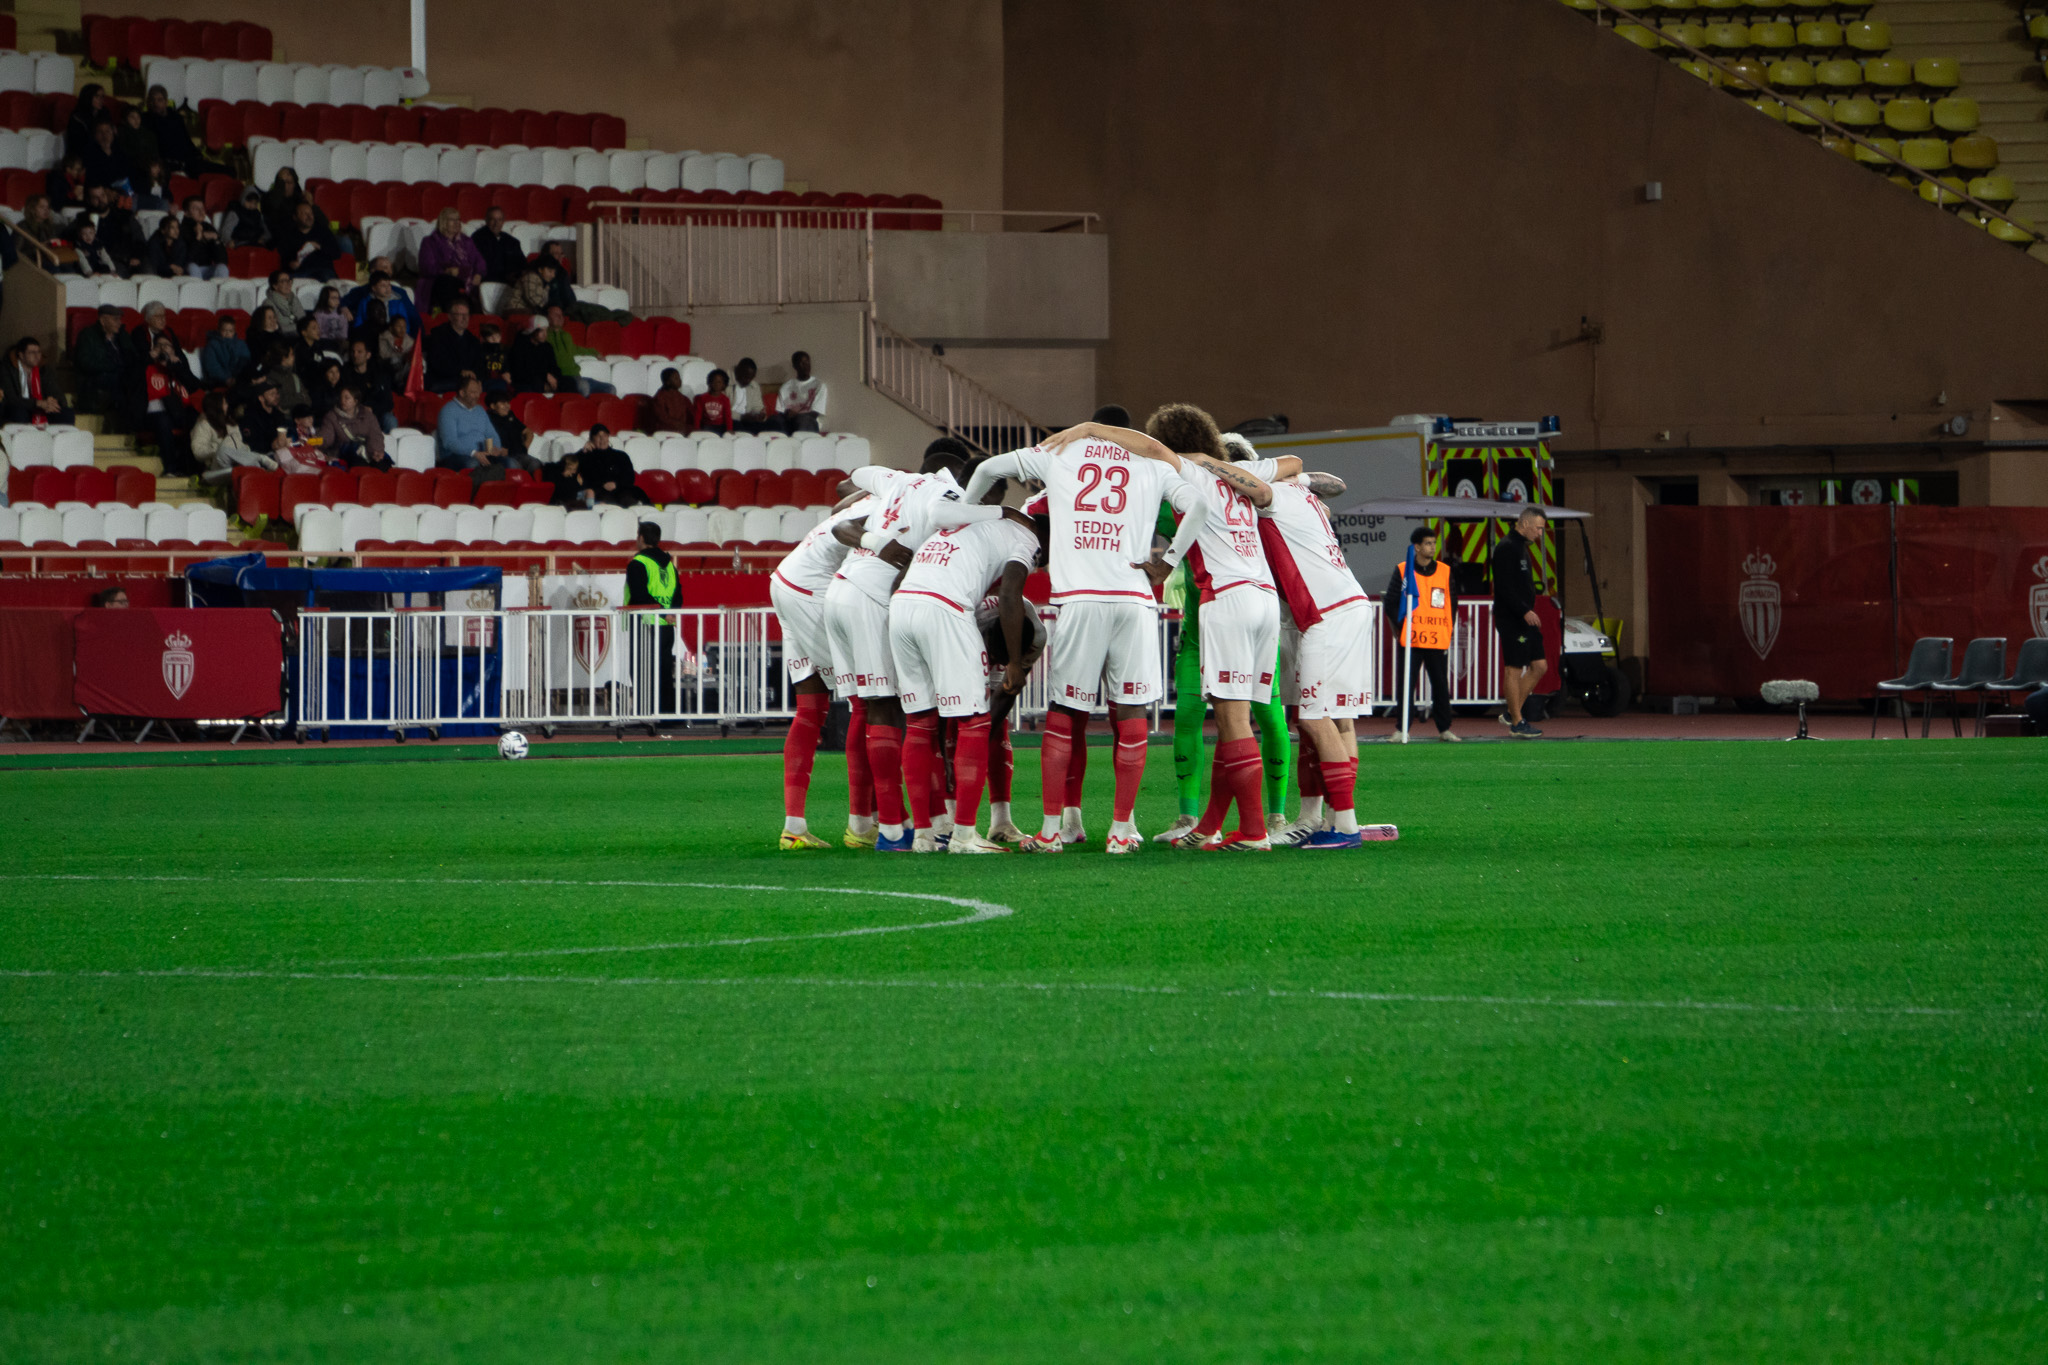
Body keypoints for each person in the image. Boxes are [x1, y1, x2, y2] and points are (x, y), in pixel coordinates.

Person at [963, 417, 1211, 853]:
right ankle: (1121, 830)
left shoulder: (1061, 451)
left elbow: (986, 469)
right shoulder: (1152, 460)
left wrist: (965, 514)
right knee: (1130, 712)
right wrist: (1169, 561)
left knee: (1065, 712)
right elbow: (1200, 507)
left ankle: (1051, 831)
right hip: (1134, 599)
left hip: (1080, 599)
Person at [829, 439, 1013, 852]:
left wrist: (876, 534)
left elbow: (849, 485)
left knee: (878, 709)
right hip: (879, 595)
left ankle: (892, 823)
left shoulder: (896, 481)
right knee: (896, 711)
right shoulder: (946, 494)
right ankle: (896, 830)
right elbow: (944, 518)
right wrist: (1003, 512)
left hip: (842, 588)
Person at [887, 487, 1049, 855]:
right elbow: (1010, 594)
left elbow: (902, 578)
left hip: (903, 605)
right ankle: (963, 836)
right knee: (974, 722)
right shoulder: (1027, 538)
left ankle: (924, 837)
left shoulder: (969, 528)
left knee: (919, 723)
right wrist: (1013, 663)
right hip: (945, 608)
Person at [769, 490, 877, 848]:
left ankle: (794, 828)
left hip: (786, 579)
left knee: (811, 708)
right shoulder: (900, 504)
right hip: (812, 590)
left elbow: (839, 502)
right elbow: (844, 526)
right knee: (867, 700)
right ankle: (861, 825)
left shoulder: (875, 496)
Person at [1385, 526, 1460, 745]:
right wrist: (1403, 626)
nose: (1433, 547)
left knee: (1440, 685)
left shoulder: (1445, 571)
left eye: (1434, 543)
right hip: (1412, 638)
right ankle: (1402, 729)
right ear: (1416, 547)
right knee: (1406, 685)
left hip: (1436, 637)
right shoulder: (1403, 570)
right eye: (1428, 543)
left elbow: (1452, 604)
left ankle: (1445, 729)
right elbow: (1391, 602)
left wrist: (1447, 629)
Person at [1493, 505, 1549, 738]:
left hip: (1525, 617)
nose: (1540, 533)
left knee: (1540, 666)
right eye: (1538, 528)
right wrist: (1524, 610)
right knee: (1514, 668)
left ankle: (1511, 711)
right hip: (1511, 618)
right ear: (1525, 524)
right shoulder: (1507, 548)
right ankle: (1517, 723)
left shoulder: (1521, 547)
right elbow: (1504, 587)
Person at [624, 521, 683, 715]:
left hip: (645, 623)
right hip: (666, 626)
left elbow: (639, 595)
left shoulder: (638, 563)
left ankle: (645, 713)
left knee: (642, 671)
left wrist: (661, 611)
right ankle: (667, 715)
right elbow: (678, 595)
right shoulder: (670, 565)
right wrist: (670, 613)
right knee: (664, 672)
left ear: (641, 538)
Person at [140, 332, 197, 474]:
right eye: (159, 346)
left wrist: (176, 367)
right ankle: (170, 469)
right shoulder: (147, 366)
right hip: (156, 412)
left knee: (195, 418)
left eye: (167, 346)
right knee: (163, 422)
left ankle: (192, 468)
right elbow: (133, 379)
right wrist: (148, 358)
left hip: (180, 410)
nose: (163, 348)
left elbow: (194, 385)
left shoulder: (178, 367)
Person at [192, 390, 271, 483]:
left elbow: (238, 444)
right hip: (216, 466)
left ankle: (260, 463)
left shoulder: (231, 424)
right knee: (226, 449)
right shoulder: (203, 425)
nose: (227, 406)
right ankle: (260, 460)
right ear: (217, 406)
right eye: (224, 403)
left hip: (236, 463)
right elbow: (198, 452)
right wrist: (219, 449)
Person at [417, 207, 486, 313]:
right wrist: (446, 271)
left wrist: (478, 274)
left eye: (458, 219)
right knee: (447, 282)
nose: (457, 223)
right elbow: (426, 267)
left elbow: (480, 261)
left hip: (466, 279)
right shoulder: (430, 242)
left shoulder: (467, 241)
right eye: (452, 220)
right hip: (441, 281)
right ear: (443, 222)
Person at [434, 373, 504, 473]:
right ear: (462, 393)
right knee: (473, 465)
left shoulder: (480, 410)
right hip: (455, 456)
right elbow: (449, 442)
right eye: (473, 393)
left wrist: (495, 448)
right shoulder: (448, 411)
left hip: (482, 454)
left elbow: (492, 434)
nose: (477, 396)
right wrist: (473, 453)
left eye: (478, 392)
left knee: (511, 464)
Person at [541, 304, 614, 393]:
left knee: (611, 388)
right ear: (547, 318)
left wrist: (595, 353)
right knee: (584, 387)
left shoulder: (566, 335)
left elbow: (576, 349)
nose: (560, 317)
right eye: (556, 315)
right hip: (563, 378)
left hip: (576, 376)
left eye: (561, 315)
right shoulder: (544, 336)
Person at [74, 306, 130, 416]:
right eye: (115, 319)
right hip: (95, 380)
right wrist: (114, 366)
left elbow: (132, 355)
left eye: (120, 319)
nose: (119, 323)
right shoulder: (88, 335)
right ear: (103, 321)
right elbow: (85, 362)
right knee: (120, 380)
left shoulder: (121, 335)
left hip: (120, 374)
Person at [2, 336, 72, 425]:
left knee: (66, 413)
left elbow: (59, 396)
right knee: (19, 412)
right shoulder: (7, 370)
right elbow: (11, 399)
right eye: (32, 352)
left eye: (39, 352)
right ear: (21, 355)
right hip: (19, 408)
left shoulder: (44, 370)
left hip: (42, 407)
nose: (37, 356)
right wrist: (37, 403)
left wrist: (52, 401)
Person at [317, 385, 389, 469]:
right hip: (343, 454)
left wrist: (376, 452)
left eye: (347, 398)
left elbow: (375, 435)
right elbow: (326, 437)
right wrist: (313, 441)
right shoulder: (332, 417)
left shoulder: (367, 415)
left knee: (382, 465)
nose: (342, 400)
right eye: (341, 397)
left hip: (366, 451)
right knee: (359, 465)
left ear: (355, 401)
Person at [423, 301, 485, 393]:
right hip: (444, 380)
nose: (464, 318)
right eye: (460, 315)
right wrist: (460, 371)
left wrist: (478, 379)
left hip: (468, 380)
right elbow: (438, 363)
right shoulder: (438, 336)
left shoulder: (473, 340)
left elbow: (480, 364)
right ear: (450, 317)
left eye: (467, 315)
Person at [572, 425, 641, 506]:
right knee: (607, 503)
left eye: (605, 435)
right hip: (598, 493)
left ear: (608, 437)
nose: (602, 439)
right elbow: (569, 468)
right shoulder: (586, 456)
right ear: (591, 439)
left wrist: (616, 484)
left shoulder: (621, 456)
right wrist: (582, 452)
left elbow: (630, 477)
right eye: (598, 436)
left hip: (621, 491)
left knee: (629, 500)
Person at [342, 337, 396, 433]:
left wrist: (372, 408)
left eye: (359, 352)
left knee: (390, 420)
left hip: (376, 413)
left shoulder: (378, 375)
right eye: (353, 352)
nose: (355, 355)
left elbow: (388, 403)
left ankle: (388, 442)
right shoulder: (345, 374)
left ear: (368, 355)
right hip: (353, 414)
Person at [276, 201, 339, 280]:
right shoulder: (289, 235)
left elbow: (336, 254)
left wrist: (319, 247)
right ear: (295, 217)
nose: (309, 217)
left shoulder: (323, 231)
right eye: (305, 214)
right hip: (300, 273)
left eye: (311, 213)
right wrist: (291, 264)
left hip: (322, 271)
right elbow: (285, 259)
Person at [350, 272, 421, 336]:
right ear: (374, 288)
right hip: (372, 334)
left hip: (394, 335)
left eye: (389, 285)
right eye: (383, 286)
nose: (387, 289)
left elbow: (405, 322)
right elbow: (359, 321)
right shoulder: (365, 302)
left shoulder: (397, 302)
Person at [484, 384, 536, 470]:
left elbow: (528, 431)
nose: (507, 406)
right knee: (514, 466)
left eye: (507, 402)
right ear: (492, 406)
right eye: (502, 403)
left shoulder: (510, 415)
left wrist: (525, 446)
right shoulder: (487, 419)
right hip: (502, 457)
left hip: (519, 453)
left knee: (536, 464)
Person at [239, 376, 293, 457]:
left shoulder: (278, 414)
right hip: (260, 457)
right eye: (272, 394)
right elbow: (250, 444)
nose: (276, 396)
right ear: (261, 398)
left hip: (280, 453)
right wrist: (271, 445)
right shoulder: (250, 416)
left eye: (277, 393)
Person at [471, 206, 525, 284]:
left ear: (503, 221)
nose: (496, 224)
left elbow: (522, 264)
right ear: (486, 220)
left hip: (512, 281)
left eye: (499, 220)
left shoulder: (512, 241)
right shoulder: (477, 238)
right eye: (493, 219)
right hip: (489, 280)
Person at [177, 196, 229, 278]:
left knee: (222, 268)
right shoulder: (181, 230)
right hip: (187, 269)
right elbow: (186, 259)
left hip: (206, 268)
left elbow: (223, 260)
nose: (201, 212)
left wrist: (216, 239)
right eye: (196, 209)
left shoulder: (208, 227)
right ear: (186, 213)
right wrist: (198, 238)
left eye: (202, 208)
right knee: (192, 267)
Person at [509, 316, 563, 394]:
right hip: (527, 382)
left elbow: (554, 366)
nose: (545, 334)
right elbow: (521, 371)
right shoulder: (520, 346)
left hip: (544, 380)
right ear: (533, 331)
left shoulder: (547, 347)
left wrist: (555, 378)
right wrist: (545, 376)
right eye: (541, 331)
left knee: (569, 383)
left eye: (546, 330)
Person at [777, 350, 827, 433]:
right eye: (802, 363)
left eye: (807, 362)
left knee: (801, 420)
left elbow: (815, 413)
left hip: (808, 421)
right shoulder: (785, 387)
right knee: (775, 420)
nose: (806, 365)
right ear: (795, 366)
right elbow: (781, 410)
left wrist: (796, 415)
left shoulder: (819, 385)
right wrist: (787, 413)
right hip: (789, 421)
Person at [199, 315, 251, 388]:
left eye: (230, 331)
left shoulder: (240, 344)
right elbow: (212, 366)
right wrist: (226, 379)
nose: (227, 333)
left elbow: (245, 360)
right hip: (218, 380)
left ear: (234, 332)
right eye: (224, 330)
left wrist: (237, 377)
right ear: (219, 330)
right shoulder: (212, 345)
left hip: (238, 378)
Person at [81, 118, 132, 192]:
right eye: (100, 132)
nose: (104, 135)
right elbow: (91, 178)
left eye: (107, 131)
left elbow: (126, 173)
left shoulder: (120, 150)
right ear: (95, 135)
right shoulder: (89, 154)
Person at [261, 167, 309, 240]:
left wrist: (311, 204)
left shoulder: (299, 199)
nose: (285, 187)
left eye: (289, 183)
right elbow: (272, 214)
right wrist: (279, 189)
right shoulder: (267, 198)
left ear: (294, 184)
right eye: (282, 183)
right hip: (276, 238)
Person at [731, 357, 769, 433]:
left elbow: (757, 406)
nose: (748, 381)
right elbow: (723, 411)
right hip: (733, 421)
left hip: (750, 421)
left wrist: (759, 414)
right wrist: (741, 417)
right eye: (745, 377)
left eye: (750, 378)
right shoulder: (726, 384)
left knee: (775, 425)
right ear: (738, 371)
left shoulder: (754, 386)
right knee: (738, 426)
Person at [649, 367, 692, 434]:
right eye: (676, 378)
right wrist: (678, 425)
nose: (680, 380)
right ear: (668, 382)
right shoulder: (660, 397)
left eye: (679, 378)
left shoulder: (683, 398)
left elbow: (691, 414)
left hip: (681, 428)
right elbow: (662, 418)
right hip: (665, 429)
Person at [693, 368, 733, 433]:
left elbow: (728, 416)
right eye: (714, 381)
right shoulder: (702, 398)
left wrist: (729, 429)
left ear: (724, 385)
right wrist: (696, 428)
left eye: (719, 382)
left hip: (720, 426)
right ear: (709, 382)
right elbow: (698, 415)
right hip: (706, 426)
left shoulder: (725, 399)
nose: (716, 384)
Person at [379, 316, 415, 386]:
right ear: (391, 328)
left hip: (404, 371)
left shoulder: (410, 342)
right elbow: (383, 356)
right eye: (398, 326)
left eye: (404, 326)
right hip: (389, 370)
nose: (402, 329)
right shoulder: (384, 339)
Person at [477, 321, 510, 386]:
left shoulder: (505, 351)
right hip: (485, 382)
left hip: (501, 382)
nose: (495, 339)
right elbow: (479, 371)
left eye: (497, 336)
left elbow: (507, 370)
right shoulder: (480, 351)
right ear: (484, 339)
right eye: (491, 337)